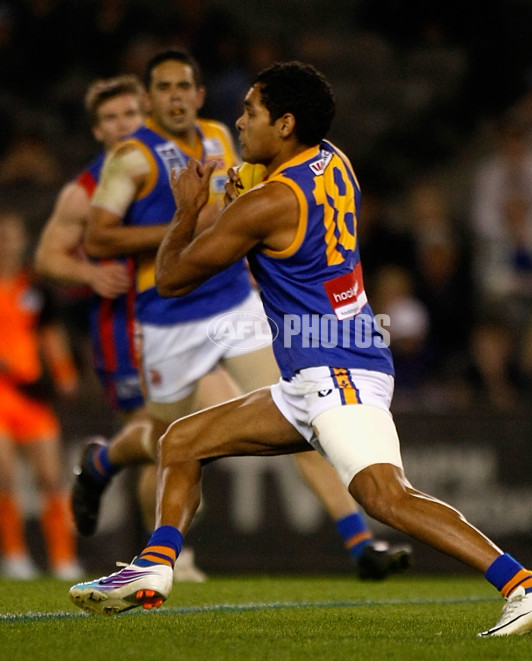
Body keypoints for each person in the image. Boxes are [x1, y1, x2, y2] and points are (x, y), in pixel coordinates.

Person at [69, 61, 532, 636]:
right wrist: (243, 189)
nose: (239, 121)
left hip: (336, 369)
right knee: (181, 441)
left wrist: (187, 212)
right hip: (322, 364)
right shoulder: (334, 159)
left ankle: (526, 585)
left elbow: (172, 278)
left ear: (285, 124)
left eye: (252, 112)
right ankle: (154, 568)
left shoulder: (267, 204)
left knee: (386, 495)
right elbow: (288, 208)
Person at [73, 50, 411, 580]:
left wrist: (231, 228)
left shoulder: (220, 139)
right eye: (163, 88)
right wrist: (195, 224)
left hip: (232, 302)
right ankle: (103, 466)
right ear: (149, 99)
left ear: (200, 93)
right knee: (161, 438)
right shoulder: (130, 157)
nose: (176, 96)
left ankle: (360, 544)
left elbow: (255, 208)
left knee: (306, 406)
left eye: (185, 85)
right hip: (168, 316)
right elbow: (96, 238)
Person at [34, 74, 206, 581]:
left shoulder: (172, 171)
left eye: (130, 114)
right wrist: (88, 272)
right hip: (122, 327)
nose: (121, 125)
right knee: (161, 435)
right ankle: (165, 553)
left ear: (146, 116)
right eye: (110, 118)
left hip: (189, 319)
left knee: (187, 431)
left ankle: (106, 471)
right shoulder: (84, 191)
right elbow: (46, 256)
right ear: (96, 131)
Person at [0, 209, 82, 580]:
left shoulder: (35, 287)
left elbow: (51, 332)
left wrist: (64, 372)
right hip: (1, 393)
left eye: (11, 234)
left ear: (22, 240)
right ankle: (15, 556)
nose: (5, 241)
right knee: (4, 474)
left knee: (51, 477)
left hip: (32, 394)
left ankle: (63, 559)